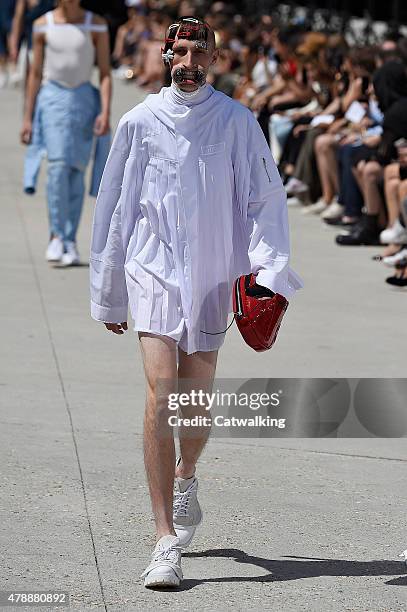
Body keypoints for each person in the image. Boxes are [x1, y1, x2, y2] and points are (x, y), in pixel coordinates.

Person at [90, 16, 303, 589]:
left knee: (195, 402)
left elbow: (263, 197)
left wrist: (269, 272)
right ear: (165, 55)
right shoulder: (139, 121)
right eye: (180, 49)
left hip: (212, 275)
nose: (189, 60)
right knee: (162, 394)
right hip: (152, 269)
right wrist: (110, 288)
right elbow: (115, 205)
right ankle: (163, 541)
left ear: (215, 59)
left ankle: (187, 477)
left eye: (199, 51)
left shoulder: (237, 121)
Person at [21, 0, 111, 266]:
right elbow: (35, 73)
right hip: (52, 98)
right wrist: (28, 118)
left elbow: (105, 73)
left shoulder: (96, 24)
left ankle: (70, 239)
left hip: (83, 98)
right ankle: (56, 235)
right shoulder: (42, 24)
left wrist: (105, 112)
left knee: (76, 169)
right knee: (58, 167)